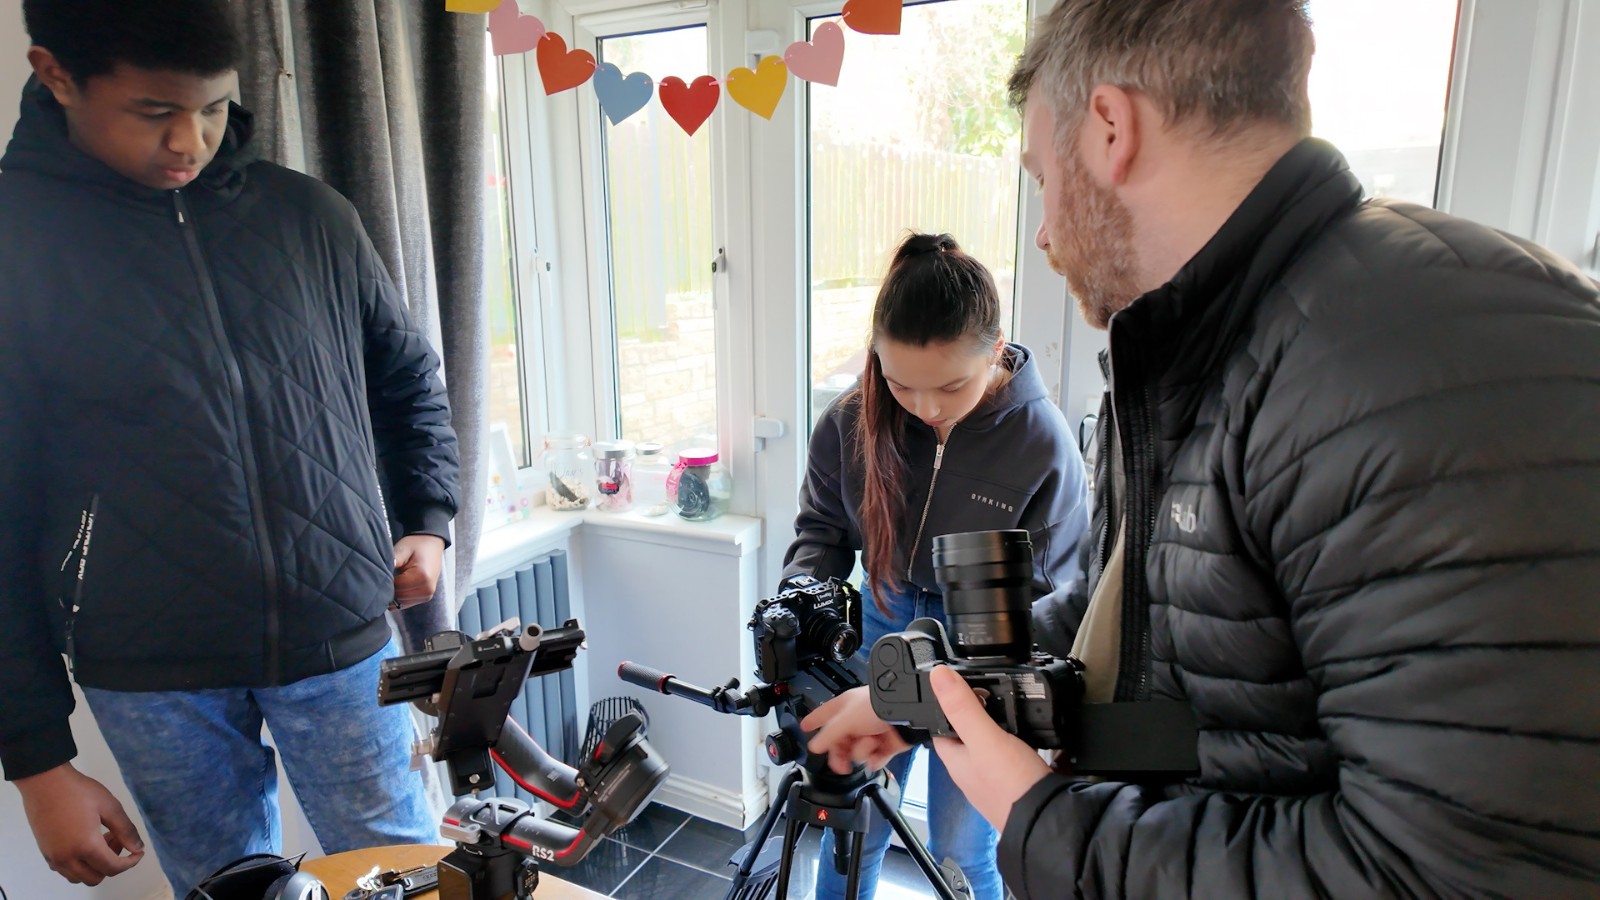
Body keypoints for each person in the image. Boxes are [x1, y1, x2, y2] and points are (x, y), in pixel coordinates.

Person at [801, 1, 1600, 897]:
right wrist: (920, 695)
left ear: (1110, 128)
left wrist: (1044, 821)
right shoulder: (1214, 353)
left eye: (1039, 176)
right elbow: (1135, 630)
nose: (1043, 232)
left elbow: (1449, 872)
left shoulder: (1425, 357)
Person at [0, 0, 461, 894]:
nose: (191, 141)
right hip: (151, 675)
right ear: (56, 73)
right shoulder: (13, 247)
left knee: (407, 874)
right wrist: (37, 762)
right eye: (154, 112)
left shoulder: (309, 215)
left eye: (213, 108)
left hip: (345, 639)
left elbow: (409, 381)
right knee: (227, 889)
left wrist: (429, 521)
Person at [784, 232, 1089, 900]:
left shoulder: (1042, 442)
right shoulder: (849, 420)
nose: (924, 409)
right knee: (853, 827)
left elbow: (1057, 599)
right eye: (899, 385)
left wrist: (943, 689)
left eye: (951, 386)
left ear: (996, 346)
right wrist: (802, 600)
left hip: (983, 656)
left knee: (964, 846)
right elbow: (822, 531)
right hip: (881, 630)